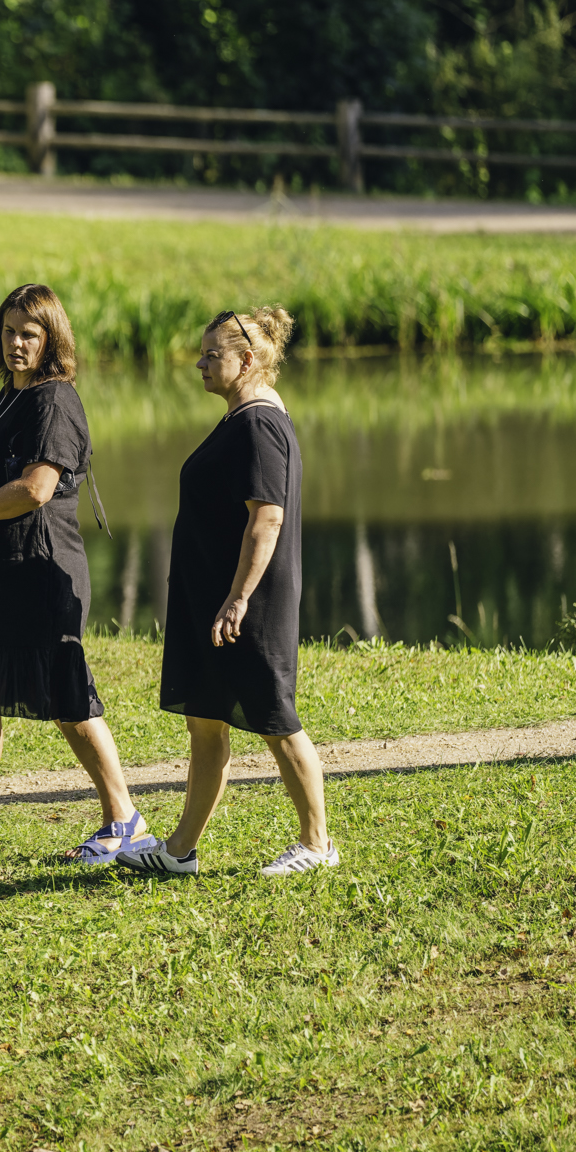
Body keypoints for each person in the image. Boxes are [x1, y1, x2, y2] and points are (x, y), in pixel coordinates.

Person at [0, 283, 154, 865]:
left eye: (29, 334)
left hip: (39, 574)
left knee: (68, 697)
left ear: (51, 339)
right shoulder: (11, 393)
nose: (17, 343)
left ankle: (124, 819)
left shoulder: (54, 400)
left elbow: (37, 488)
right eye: (10, 331)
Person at [118, 306, 337, 879]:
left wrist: (239, 598)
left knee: (274, 717)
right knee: (207, 719)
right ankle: (180, 850)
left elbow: (267, 518)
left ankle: (317, 844)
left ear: (248, 361)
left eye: (212, 354)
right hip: (214, 600)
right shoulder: (242, 418)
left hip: (248, 602)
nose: (200, 362)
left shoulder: (260, 424)